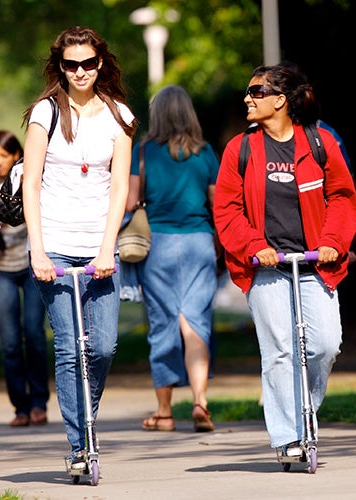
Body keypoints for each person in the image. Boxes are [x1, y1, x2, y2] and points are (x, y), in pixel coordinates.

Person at [213, 64, 356, 459]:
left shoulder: (319, 142)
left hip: (315, 264)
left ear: (280, 100)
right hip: (266, 268)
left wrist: (332, 242)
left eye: (256, 91)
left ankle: (303, 413)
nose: (248, 98)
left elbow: (342, 197)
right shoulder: (240, 149)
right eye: (248, 91)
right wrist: (253, 245)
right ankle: (289, 437)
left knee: (325, 346)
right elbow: (226, 209)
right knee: (279, 351)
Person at [21, 25, 135, 473]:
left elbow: (120, 186)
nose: (81, 71)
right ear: (61, 67)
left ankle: (87, 417)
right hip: (55, 245)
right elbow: (31, 185)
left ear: (100, 63)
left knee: (103, 347)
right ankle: (80, 445)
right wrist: (38, 251)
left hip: (99, 247)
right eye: (72, 65)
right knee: (70, 348)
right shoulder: (44, 113)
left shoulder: (119, 116)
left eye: (88, 63)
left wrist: (108, 248)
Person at [127, 85, 219, 433]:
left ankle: (164, 413)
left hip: (158, 245)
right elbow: (217, 203)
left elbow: (130, 202)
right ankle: (200, 401)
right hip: (199, 242)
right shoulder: (206, 153)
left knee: (163, 325)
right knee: (195, 324)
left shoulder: (143, 152)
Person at [0, 130, 50, 428]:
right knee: (10, 342)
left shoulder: (31, 180)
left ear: (17, 155)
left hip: (32, 266)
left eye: (4, 155)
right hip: (1, 270)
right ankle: (20, 407)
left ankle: (39, 402)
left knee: (34, 334)